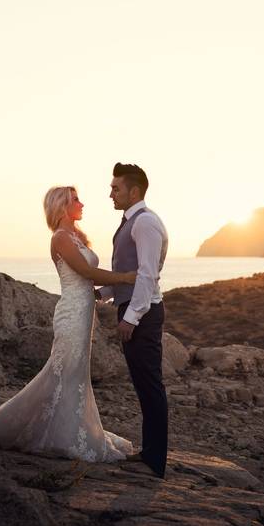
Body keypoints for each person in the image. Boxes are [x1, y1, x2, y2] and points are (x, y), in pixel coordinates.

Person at [0, 186, 136, 463]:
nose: (82, 203)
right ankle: (56, 433)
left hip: (84, 311)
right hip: (72, 313)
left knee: (75, 373)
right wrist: (125, 278)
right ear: (62, 206)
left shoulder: (77, 236)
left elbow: (87, 281)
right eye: (76, 200)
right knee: (64, 371)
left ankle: (72, 428)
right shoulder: (61, 238)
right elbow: (86, 272)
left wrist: (102, 294)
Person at [97, 163, 169, 478]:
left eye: (116, 188)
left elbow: (147, 274)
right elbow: (130, 270)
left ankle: (156, 460)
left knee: (151, 385)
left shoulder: (146, 223)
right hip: (134, 309)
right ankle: (149, 452)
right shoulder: (131, 222)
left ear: (134, 191)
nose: (110, 193)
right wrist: (103, 292)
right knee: (142, 384)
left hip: (144, 315)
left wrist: (131, 316)